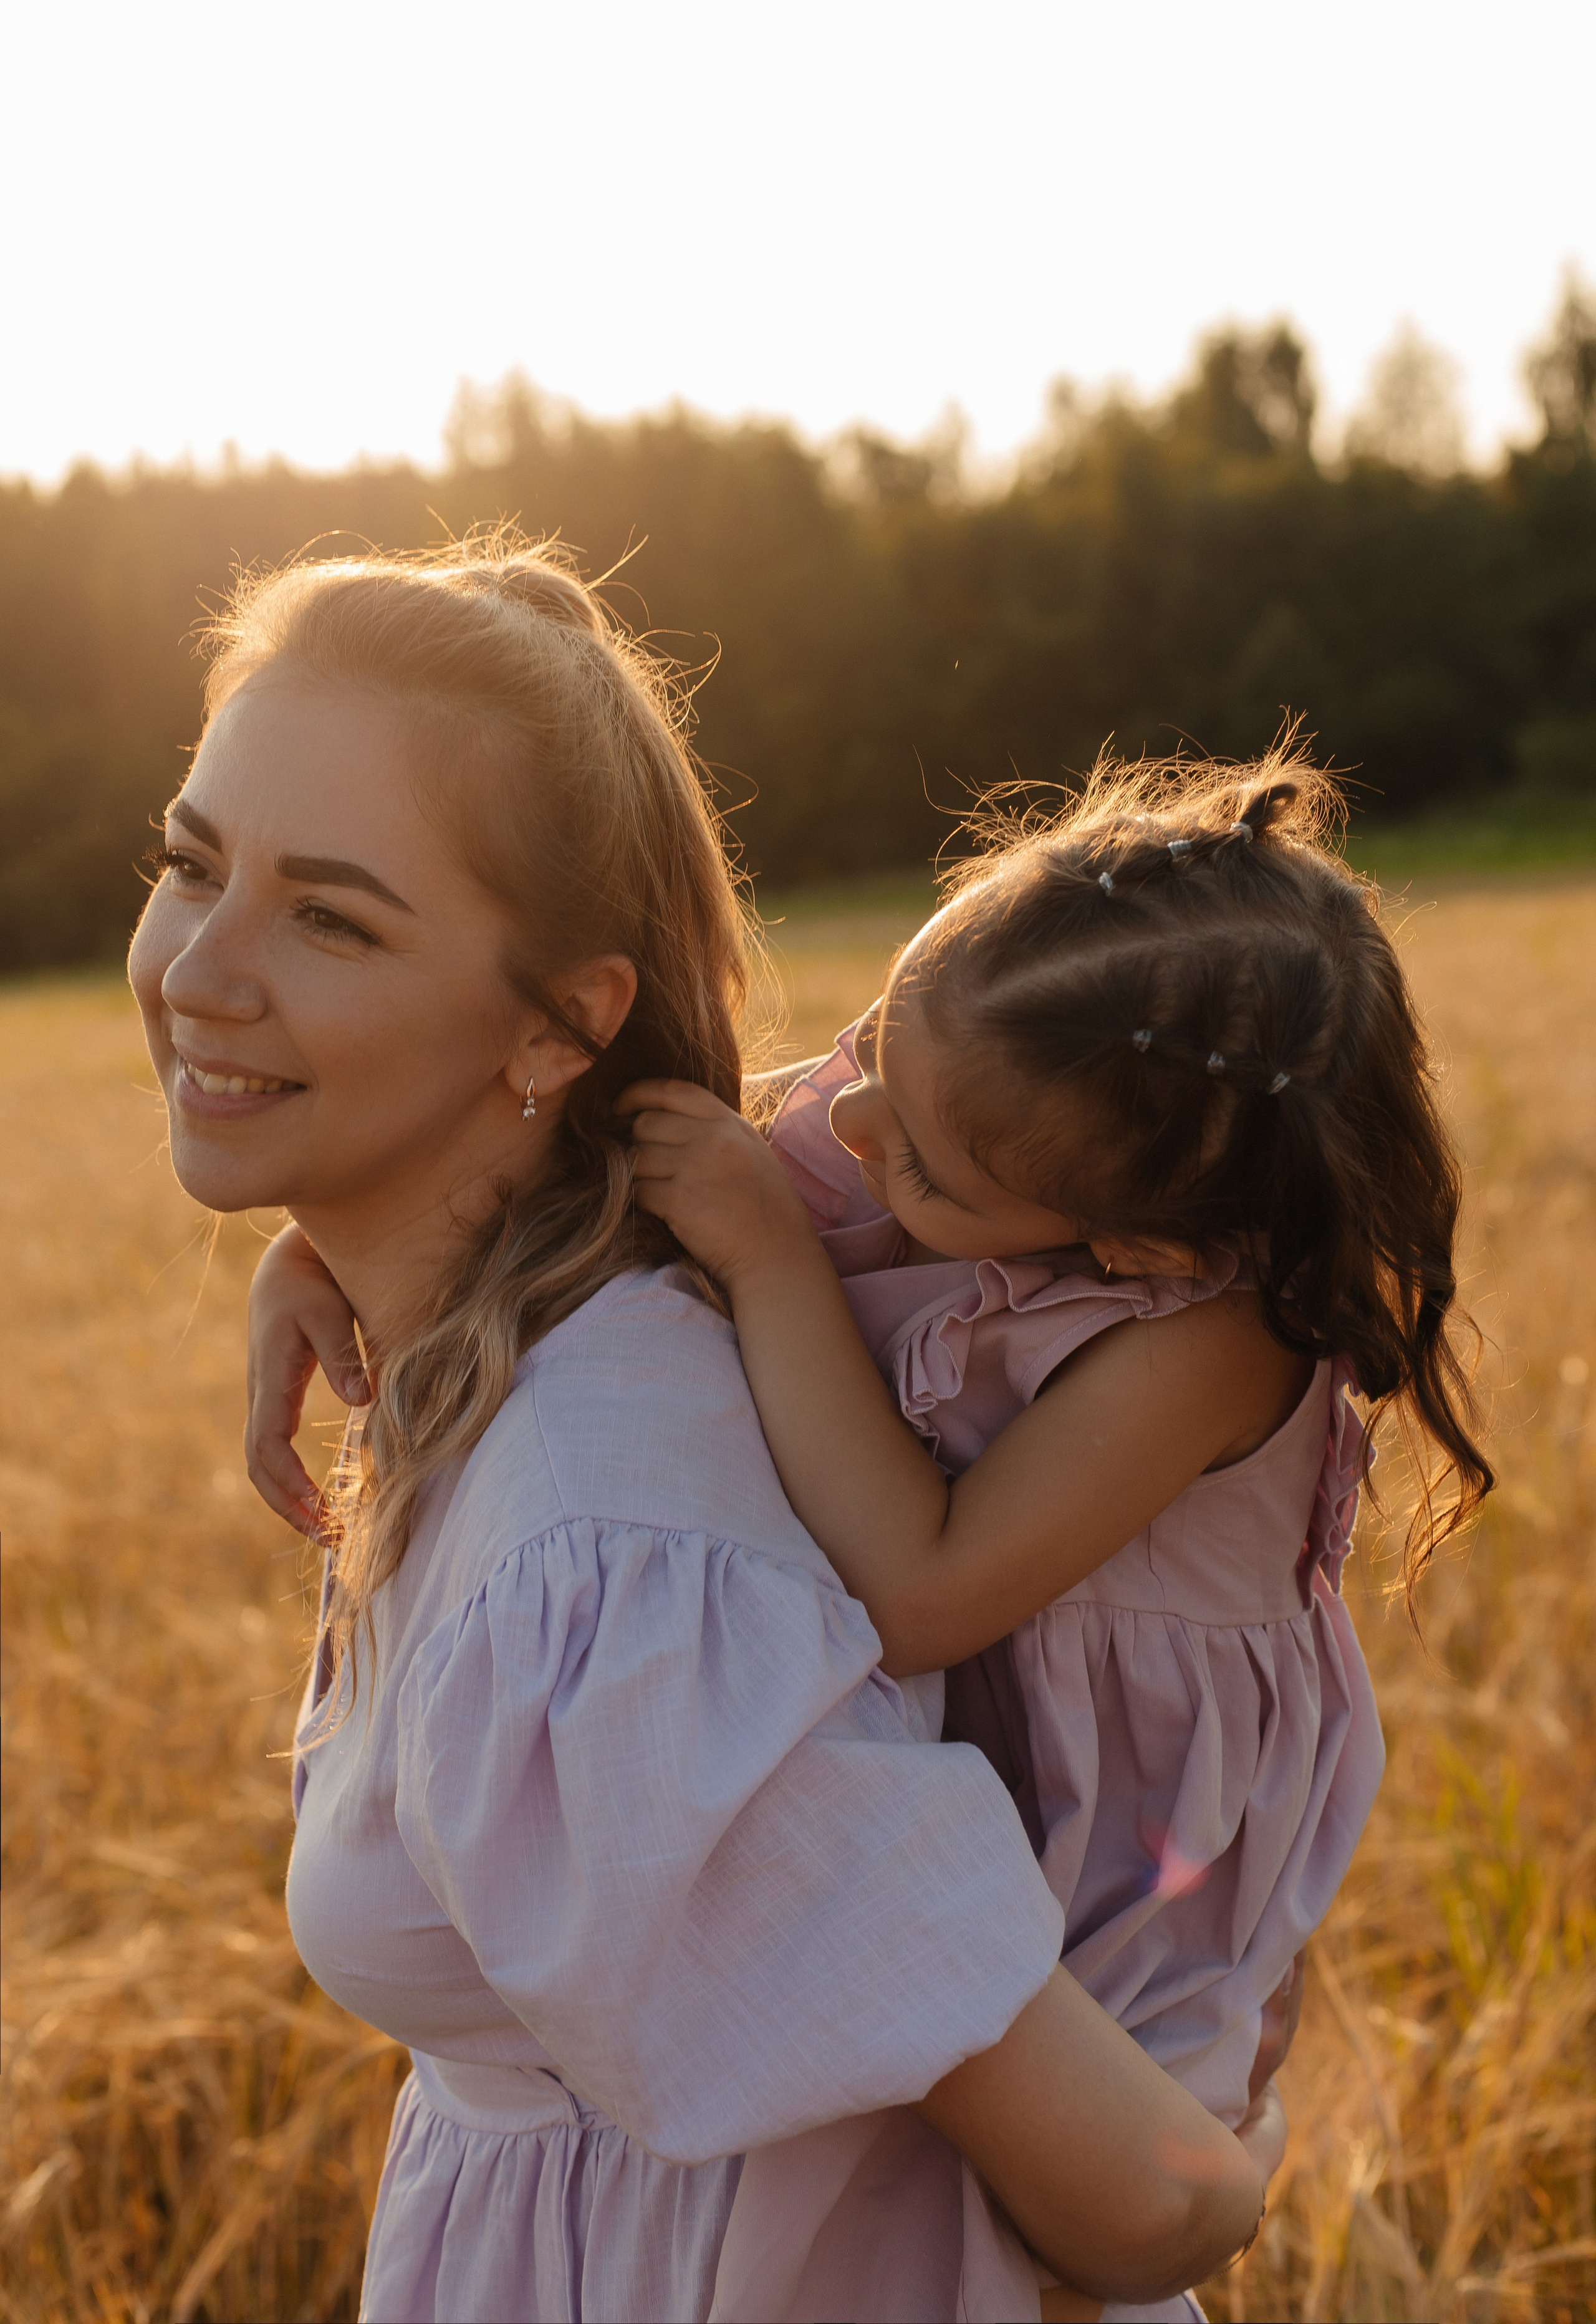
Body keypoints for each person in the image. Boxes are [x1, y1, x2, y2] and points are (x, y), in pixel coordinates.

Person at [132, 539, 1271, 2324]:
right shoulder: (512, 1369)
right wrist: (325, 1237)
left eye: (329, 915)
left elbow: (1151, 2206)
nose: (198, 969)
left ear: (562, 1022)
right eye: (191, 865)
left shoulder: (609, 1566)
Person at [594, 749, 1493, 2305]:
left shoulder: (1213, 1341)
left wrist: (771, 1263)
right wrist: (335, 1265)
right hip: (974, 1780)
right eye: (879, 1029)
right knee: (867, 2185)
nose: (848, 1113)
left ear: (1143, 1240)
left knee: (1050, 2238)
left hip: (1131, 1845)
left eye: (926, 1169)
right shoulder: (942, 1091)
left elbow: (927, 1590)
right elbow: (626, 1170)